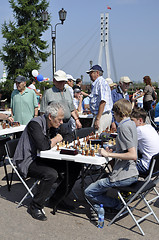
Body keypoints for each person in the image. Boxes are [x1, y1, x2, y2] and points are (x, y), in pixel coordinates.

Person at [13, 102, 82, 221]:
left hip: (43, 157)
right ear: (50, 116)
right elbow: (43, 146)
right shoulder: (35, 124)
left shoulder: (54, 123)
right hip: (28, 161)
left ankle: (57, 199)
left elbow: (69, 135)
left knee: (75, 166)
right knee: (51, 174)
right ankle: (35, 206)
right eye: (59, 120)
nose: (61, 123)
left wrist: (56, 140)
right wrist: (57, 138)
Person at [85, 99, 138, 215]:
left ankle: (117, 206)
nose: (114, 115)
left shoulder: (123, 127)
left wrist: (108, 154)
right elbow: (130, 144)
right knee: (100, 181)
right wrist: (115, 148)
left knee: (89, 191)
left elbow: (132, 155)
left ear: (119, 113)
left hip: (123, 176)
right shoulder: (131, 123)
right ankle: (111, 204)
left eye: (114, 113)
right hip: (132, 172)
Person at [40, 70, 82, 138]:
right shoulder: (48, 93)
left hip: (67, 125)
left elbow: (71, 109)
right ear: (54, 81)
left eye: (63, 81)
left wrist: (77, 120)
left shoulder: (68, 92)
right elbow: (43, 112)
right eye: (59, 81)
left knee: (68, 144)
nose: (62, 83)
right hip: (54, 126)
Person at [130, 107, 159, 175]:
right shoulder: (150, 127)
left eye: (132, 120)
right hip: (156, 166)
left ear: (140, 120)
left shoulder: (139, 129)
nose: (130, 123)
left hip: (146, 167)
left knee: (122, 163)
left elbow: (126, 144)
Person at [86, 64, 113, 133]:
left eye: (91, 73)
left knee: (97, 138)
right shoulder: (98, 83)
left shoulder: (100, 83)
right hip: (101, 115)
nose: (89, 75)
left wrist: (98, 119)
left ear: (97, 73)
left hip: (102, 116)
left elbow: (103, 101)